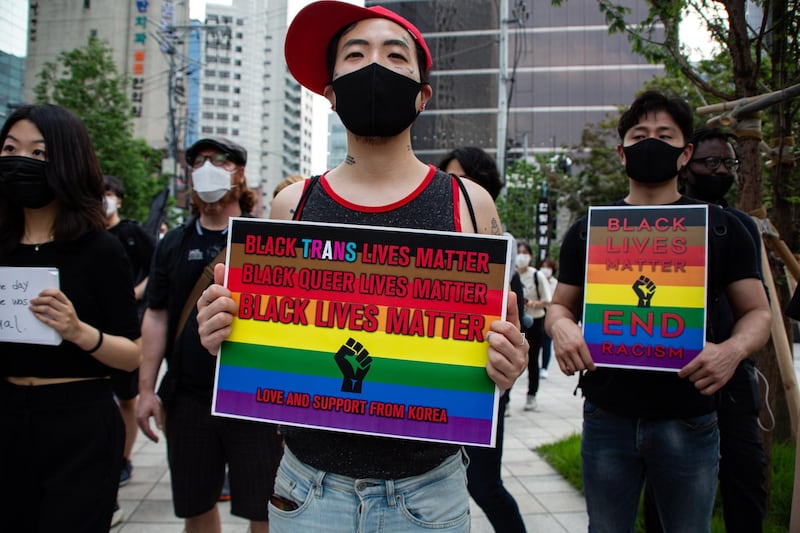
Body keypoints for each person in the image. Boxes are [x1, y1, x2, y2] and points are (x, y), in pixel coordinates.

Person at [196, 4, 528, 532]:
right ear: (330, 92)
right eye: (356, 54)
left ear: (423, 96)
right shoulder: (293, 205)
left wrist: (509, 361)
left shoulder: (470, 203)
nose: (375, 65)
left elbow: (502, 336)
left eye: (395, 56)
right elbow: (263, 340)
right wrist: (225, 334)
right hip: (306, 492)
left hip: (429, 495)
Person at [545, 90, 771, 532]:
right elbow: (559, 307)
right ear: (622, 152)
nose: (650, 142)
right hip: (607, 417)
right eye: (639, 134)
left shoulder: (722, 228)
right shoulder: (588, 230)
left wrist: (731, 351)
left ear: (685, 153)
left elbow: (758, 313)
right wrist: (563, 330)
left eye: (664, 135)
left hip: (690, 418)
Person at [0, 103, 142, 531]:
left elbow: (131, 355)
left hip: (80, 422)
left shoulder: (99, 250)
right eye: (10, 148)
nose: (20, 162)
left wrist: (79, 332)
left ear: (66, 160)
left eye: (39, 154)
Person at [136, 137, 283, 533]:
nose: (207, 167)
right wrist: (147, 389)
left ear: (240, 174)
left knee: (265, 509)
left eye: (219, 160)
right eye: (198, 161)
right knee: (195, 504)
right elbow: (157, 316)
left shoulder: (264, 239)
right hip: (188, 399)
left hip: (254, 401)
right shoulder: (173, 243)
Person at [642, 128, 768, 532]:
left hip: (731, 385)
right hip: (671, 388)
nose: (720, 170)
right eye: (710, 162)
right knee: (664, 502)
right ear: (686, 162)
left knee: (745, 484)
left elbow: (758, 312)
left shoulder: (740, 226)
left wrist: (732, 352)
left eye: (728, 163)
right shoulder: (654, 226)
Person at [439, 147, 527, 533]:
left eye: (458, 180)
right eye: (444, 179)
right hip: (437, 390)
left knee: (484, 484)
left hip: (481, 390)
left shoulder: (496, 248)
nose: (448, 189)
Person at [103, 174, 156, 487]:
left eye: (108, 193)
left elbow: (155, 267)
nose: (102, 200)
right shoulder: (86, 235)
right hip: (93, 330)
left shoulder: (133, 233)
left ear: (118, 199)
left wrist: (135, 292)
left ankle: (123, 459)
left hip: (130, 328)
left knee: (126, 398)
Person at [516, 241, 552, 411]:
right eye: (518, 252)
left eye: (524, 252)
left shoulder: (537, 276)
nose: (521, 256)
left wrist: (531, 304)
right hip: (517, 322)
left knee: (532, 360)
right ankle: (506, 399)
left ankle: (531, 395)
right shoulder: (513, 275)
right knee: (514, 358)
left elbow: (548, 300)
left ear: (530, 256)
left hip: (535, 322)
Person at [538, 256, 558, 379]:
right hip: (537, 315)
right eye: (543, 267)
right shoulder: (537, 279)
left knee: (547, 343)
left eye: (548, 267)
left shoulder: (556, 283)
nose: (545, 269)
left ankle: (544, 367)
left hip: (549, 316)